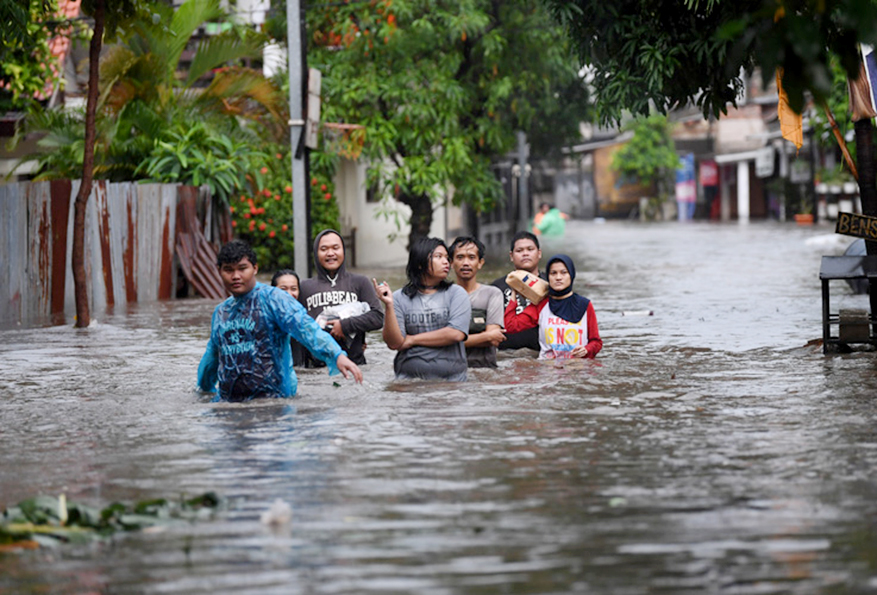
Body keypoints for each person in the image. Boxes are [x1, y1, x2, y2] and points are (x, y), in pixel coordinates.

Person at [198, 240, 362, 401]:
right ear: (219, 271)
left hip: (274, 401)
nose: (236, 276)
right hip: (230, 404)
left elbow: (305, 328)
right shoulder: (221, 312)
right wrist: (203, 390)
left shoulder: (274, 299)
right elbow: (212, 357)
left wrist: (336, 355)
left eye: (242, 269)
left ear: (255, 268)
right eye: (228, 270)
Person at [372, 237, 471, 381]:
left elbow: (455, 334)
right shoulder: (399, 297)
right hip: (408, 380)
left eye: (446, 257)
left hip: (452, 381)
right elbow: (394, 343)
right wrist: (388, 305)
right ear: (420, 263)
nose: (446, 262)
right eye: (438, 257)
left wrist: (412, 340)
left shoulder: (456, 293)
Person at [298, 229, 384, 367]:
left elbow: (378, 318)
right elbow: (295, 328)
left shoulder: (360, 282)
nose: (330, 253)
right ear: (315, 253)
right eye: (324, 249)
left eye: (335, 248)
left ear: (343, 251)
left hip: (355, 366)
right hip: (318, 368)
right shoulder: (304, 287)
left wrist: (345, 326)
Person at [504, 254, 602, 360]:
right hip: (547, 369)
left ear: (571, 275)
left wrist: (587, 349)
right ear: (548, 277)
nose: (558, 277)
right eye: (553, 273)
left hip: (577, 369)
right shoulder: (541, 305)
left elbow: (596, 342)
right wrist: (514, 291)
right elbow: (510, 326)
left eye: (564, 272)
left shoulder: (585, 305)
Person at [449, 236, 505, 368]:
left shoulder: (492, 294)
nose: (466, 263)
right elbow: (489, 336)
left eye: (471, 257)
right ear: (451, 262)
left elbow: (493, 339)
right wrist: (484, 336)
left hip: (485, 369)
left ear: (480, 263)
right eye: (460, 257)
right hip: (451, 368)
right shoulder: (444, 295)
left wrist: (451, 342)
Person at [492, 231, 543, 352]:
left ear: (539, 253)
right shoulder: (497, 288)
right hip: (505, 355)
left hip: (541, 355)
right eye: (519, 251)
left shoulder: (550, 286)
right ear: (511, 256)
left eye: (530, 249)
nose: (525, 254)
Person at [271, 269, 306, 367]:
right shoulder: (265, 320)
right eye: (283, 289)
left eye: (293, 289)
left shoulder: (303, 321)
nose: (289, 294)